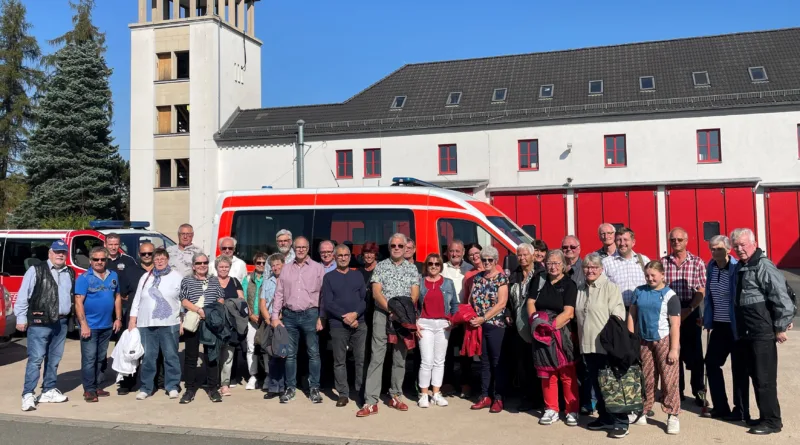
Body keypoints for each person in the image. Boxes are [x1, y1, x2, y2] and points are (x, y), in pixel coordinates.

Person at [731, 228, 793, 435]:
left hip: (762, 332)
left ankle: (773, 422)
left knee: (765, 378)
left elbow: (781, 297)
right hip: (748, 332)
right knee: (756, 376)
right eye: (736, 246)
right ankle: (765, 416)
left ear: (754, 243)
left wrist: (780, 327)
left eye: (743, 245)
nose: (740, 249)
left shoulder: (762, 265)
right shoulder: (744, 266)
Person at [358, 233, 420, 417]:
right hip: (382, 315)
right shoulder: (381, 267)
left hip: (404, 318)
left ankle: (396, 395)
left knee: (400, 357)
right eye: (393, 245)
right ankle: (370, 401)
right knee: (377, 357)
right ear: (390, 247)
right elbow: (376, 293)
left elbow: (414, 294)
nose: (397, 248)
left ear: (405, 247)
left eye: (400, 246)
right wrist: (391, 310)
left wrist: (402, 313)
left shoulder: (411, 269)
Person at [16, 240, 74, 411]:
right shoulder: (36, 270)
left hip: (61, 322)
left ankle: (48, 389)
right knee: (36, 360)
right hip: (39, 322)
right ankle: (28, 394)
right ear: (50, 253)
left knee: (54, 359)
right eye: (57, 252)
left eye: (63, 252)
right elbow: (23, 296)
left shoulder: (69, 272)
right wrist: (21, 318)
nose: (60, 255)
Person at [576, 253, 628, 438]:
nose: (590, 270)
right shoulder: (581, 288)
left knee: (612, 385)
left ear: (601, 269)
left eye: (594, 267)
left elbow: (618, 315)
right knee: (597, 385)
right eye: (587, 267)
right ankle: (605, 418)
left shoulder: (610, 288)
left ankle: (621, 421)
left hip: (606, 347)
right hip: (587, 346)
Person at [627, 261, 682, 435]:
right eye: (647, 275)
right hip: (644, 340)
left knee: (669, 379)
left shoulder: (670, 295)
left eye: (653, 275)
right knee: (647, 378)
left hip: (663, 340)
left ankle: (672, 414)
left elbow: (675, 325)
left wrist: (674, 349)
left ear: (662, 274)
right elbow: (632, 314)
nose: (650, 278)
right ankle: (643, 409)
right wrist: (630, 337)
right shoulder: (639, 291)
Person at [270, 236, 326, 404]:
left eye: (304, 247)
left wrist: (321, 317)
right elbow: (279, 293)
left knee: (314, 354)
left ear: (308, 248)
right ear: (294, 249)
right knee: (290, 354)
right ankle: (290, 388)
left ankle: (314, 388)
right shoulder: (286, 268)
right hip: (290, 316)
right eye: (298, 247)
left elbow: (323, 296)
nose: (300, 249)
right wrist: (274, 316)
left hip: (310, 314)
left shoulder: (318, 268)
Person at [527, 249, 578, 426]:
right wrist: (536, 322)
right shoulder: (539, 280)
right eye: (550, 263)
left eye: (557, 263)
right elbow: (531, 302)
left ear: (563, 266)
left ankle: (572, 410)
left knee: (566, 372)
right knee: (546, 372)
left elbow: (569, 312)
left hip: (560, 332)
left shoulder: (570, 285)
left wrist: (550, 327)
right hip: (540, 332)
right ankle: (551, 409)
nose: (553, 266)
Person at [703, 235, 749, 422]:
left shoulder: (736, 268)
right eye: (712, 249)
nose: (715, 252)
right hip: (719, 326)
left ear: (728, 249)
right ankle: (720, 406)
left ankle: (741, 410)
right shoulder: (711, 267)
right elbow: (709, 297)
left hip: (736, 326)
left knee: (739, 368)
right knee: (712, 363)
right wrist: (707, 319)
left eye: (719, 249)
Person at [128, 247, 183, 401]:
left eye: (162, 259)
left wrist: (182, 320)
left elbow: (182, 300)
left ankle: (172, 386)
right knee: (148, 357)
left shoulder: (176, 276)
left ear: (167, 260)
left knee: (171, 356)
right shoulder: (146, 277)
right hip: (146, 323)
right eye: (156, 259)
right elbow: (137, 299)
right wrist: (133, 319)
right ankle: (146, 387)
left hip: (170, 322)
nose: (159, 262)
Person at [661, 227, 706, 406]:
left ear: (686, 241)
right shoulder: (663, 263)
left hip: (691, 307)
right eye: (673, 240)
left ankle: (699, 390)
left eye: (680, 239)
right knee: (672, 352)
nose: (676, 242)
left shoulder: (697, 262)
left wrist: (690, 309)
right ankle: (675, 391)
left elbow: (701, 289)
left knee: (695, 354)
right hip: (669, 311)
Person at [75, 246, 122, 402]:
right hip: (90, 327)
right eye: (96, 259)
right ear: (90, 260)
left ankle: (96, 386)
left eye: (103, 259)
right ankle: (89, 390)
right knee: (89, 359)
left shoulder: (113, 275)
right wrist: (84, 325)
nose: (99, 262)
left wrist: (118, 318)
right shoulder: (84, 278)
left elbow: (117, 297)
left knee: (101, 358)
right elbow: (78, 302)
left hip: (107, 326)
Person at [322, 244, 367, 407]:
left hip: (359, 323)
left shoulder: (358, 275)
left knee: (360, 359)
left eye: (346, 255)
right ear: (335, 257)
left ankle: (361, 392)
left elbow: (364, 299)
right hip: (338, 324)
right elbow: (328, 303)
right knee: (339, 360)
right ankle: (343, 394)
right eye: (339, 255)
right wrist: (345, 317)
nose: (343, 258)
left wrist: (355, 315)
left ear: (350, 256)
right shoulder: (329, 278)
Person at [179, 252, 226, 404]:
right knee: (191, 357)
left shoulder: (214, 280)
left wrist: (212, 312)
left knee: (212, 356)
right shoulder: (187, 280)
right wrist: (199, 310)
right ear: (193, 266)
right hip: (193, 322)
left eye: (205, 262)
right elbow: (184, 301)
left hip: (210, 323)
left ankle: (213, 389)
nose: (202, 266)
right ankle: (190, 389)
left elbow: (220, 298)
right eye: (198, 263)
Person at [469, 245, 509, 414]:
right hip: (479, 325)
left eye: (489, 260)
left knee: (497, 362)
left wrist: (484, 317)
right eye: (484, 259)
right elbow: (471, 299)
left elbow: (501, 304)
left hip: (495, 325)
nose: (486, 262)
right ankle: (485, 395)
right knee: (484, 362)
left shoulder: (501, 278)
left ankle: (498, 397)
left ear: (495, 261)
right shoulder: (477, 278)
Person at [416, 253, 459, 408]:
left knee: (439, 361)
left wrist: (452, 321)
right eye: (430, 264)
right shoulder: (419, 282)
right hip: (425, 324)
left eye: (436, 264)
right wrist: (416, 323)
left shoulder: (448, 283)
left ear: (441, 266)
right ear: (426, 266)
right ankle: (423, 394)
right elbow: (414, 304)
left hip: (443, 325)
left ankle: (436, 393)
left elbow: (454, 304)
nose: (433, 266)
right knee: (426, 360)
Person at [118, 242, 160, 395]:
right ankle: (127, 382)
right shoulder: (130, 272)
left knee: (153, 351)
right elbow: (122, 294)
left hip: (155, 317)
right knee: (131, 350)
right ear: (139, 255)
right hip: (134, 317)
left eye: (150, 253)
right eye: (144, 254)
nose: (147, 256)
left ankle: (156, 381)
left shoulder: (161, 271)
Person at [506, 243, 543, 411]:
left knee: (537, 362)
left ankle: (540, 398)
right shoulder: (514, 275)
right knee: (522, 364)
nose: (521, 258)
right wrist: (508, 313)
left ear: (532, 255)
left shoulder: (541, 273)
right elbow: (508, 297)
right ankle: (526, 398)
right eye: (519, 255)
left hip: (537, 323)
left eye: (525, 255)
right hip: (518, 326)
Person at [440, 239, 473, 394]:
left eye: (457, 251)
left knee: (465, 352)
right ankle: (447, 382)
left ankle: (466, 382)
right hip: (447, 315)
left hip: (465, 315)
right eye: (452, 251)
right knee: (446, 351)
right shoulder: (442, 268)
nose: (454, 254)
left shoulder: (470, 269)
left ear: (463, 253)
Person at [216, 256, 244, 396]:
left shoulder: (234, 281)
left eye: (226, 267)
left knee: (228, 355)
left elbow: (241, 301)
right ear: (216, 268)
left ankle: (225, 384)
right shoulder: (211, 282)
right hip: (215, 324)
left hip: (231, 324)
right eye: (221, 267)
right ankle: (213, 382)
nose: (224, 269)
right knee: (214, 354)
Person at [602, 227, 649, 308]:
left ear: (633, 242)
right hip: (617, 311)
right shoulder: (606, 263)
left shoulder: (644, 261)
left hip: (640, 310)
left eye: (625, 240)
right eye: (619, 240)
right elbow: (602, 289)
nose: (622, 243)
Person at [242, 251, 268, 391]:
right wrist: (250, 315)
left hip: (266, 319)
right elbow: (244, 299)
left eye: (264, 263)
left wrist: (265, 316)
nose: (261, 265)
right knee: (251, 348)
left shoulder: (271, 278)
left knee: (266, 348)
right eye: (259, 262)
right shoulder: (247, 279)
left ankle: (268, 376)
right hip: (251, 318)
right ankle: (253, 376)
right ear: (254, 263)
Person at [261, 253, 286, 399]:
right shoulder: (267, 281)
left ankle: (282, 387)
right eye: (273, 265)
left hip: (282, 323)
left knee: (282, 355)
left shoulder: (287, 280)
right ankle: (272, 387)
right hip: (270, 322)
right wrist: (267, 318)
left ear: (284, 265)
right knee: (270, 355)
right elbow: (263, 302)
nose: (276, 267)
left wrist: (278, 318)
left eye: (278, 264)